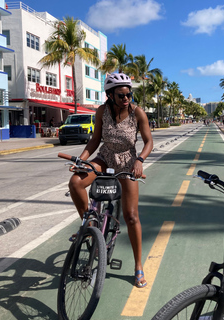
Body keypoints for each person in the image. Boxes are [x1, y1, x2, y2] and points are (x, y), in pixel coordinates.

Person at [68, 73, 153, 288]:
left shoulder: (137, 113)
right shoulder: (102, 111)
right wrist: (82, 161)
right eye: (121, 95)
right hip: (105, 156)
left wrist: (140, 160)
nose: (126, 98)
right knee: (76, 182)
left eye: (128, 94)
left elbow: (148, 141)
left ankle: (138, 265)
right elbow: (95, 140)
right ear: (110, 95)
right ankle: (90, 225)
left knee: (131, 216)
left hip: (127, 160)